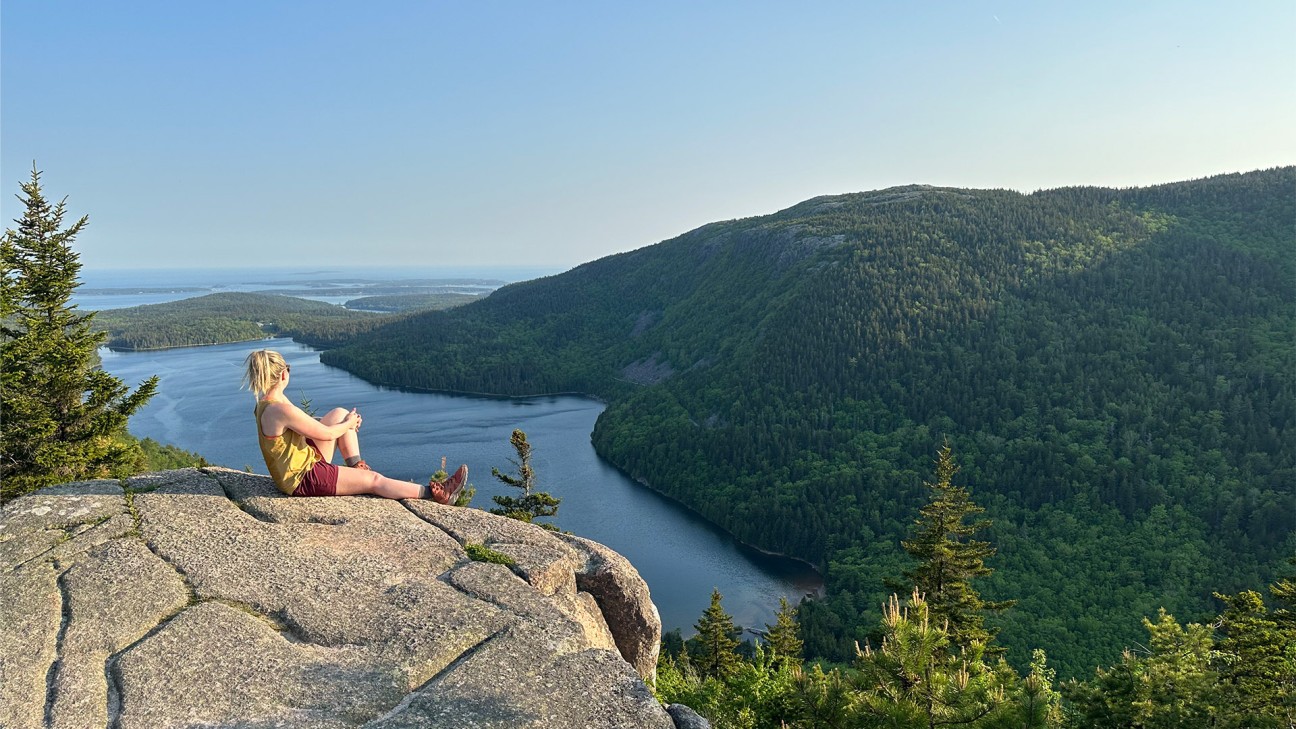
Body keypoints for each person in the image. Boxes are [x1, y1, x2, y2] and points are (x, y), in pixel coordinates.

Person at [242, 349, 466, 503]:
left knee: (339, 413)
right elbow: (327, 433)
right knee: (375, 481)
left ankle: (356, 466)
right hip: (303, 479)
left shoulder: (269, 403)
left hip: (301, 465)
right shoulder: (281, 409)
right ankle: (434, 494)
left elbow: (311, 427)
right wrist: (350, 424)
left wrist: (345, 422)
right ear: (283, 373)